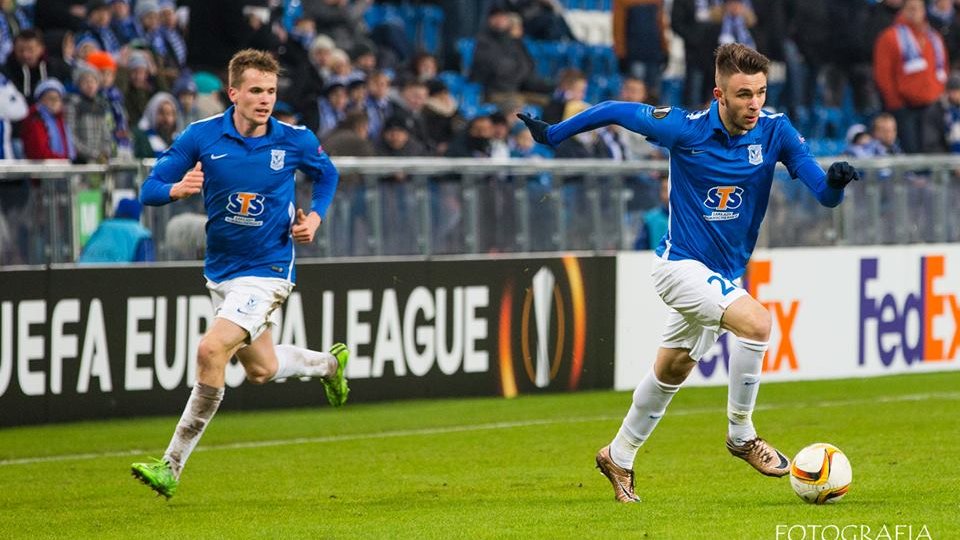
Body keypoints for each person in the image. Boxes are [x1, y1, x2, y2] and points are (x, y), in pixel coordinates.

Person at [518, 43, 860, 503]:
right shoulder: (684, 128)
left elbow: (822, 192)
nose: (754, 103)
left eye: (760, 92)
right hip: (678, 266)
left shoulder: (777, 131)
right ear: (718, 93)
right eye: (743, 94)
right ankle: (741, 434)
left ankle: (618, 455)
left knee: (673, 368)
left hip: (722, 274)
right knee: (757, 323)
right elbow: (618, 109)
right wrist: (555, 134)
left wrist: (835, 183)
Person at [131, 49, 350, 500]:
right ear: (233, 93)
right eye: (255, 91)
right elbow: (149, 189)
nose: (265, 99)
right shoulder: (201, 137)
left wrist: (316, 219)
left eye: (270, 91)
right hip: (222, 271)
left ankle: (170, 465)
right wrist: (175, 188)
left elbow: (327, 176)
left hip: (268, 267)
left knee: (211, 350)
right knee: (261, 370)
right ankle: (329, 365)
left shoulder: (295, 139)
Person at [78, 197, 154, 262]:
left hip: (82, 274)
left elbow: (85, 251)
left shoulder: (103, 227)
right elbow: (146, 266)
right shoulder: (140, 234)